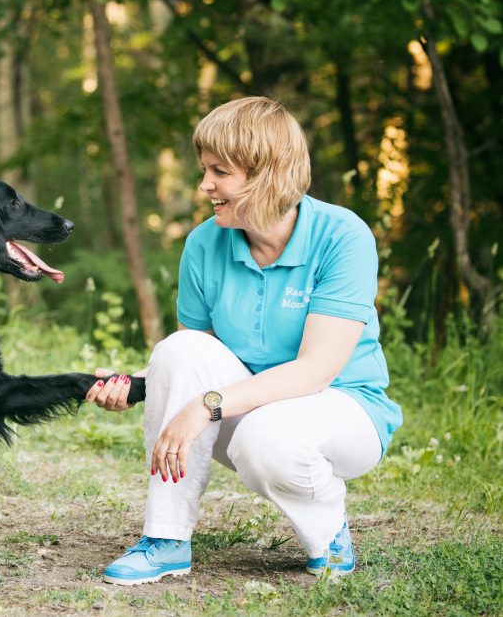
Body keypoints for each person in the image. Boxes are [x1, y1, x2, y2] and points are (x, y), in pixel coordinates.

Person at [85, 96, 402, 586]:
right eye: (204, 169)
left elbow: (315, 371)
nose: (204, 185)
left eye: (220, 172)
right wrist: (138, 384)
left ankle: (328, 529)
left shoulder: (343, 237)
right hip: (246, 404)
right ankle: (166, 537)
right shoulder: (204, 243)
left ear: (267, 174)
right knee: (176, 348)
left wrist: (207, 404)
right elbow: (197, 359)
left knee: (266, 438)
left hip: (344, 409)